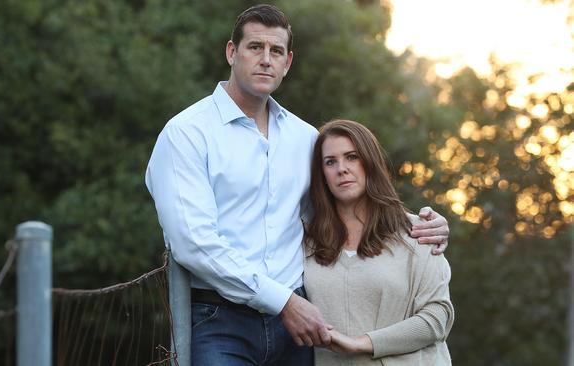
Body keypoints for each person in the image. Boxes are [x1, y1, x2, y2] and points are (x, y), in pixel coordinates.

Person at [145, 4, 450, 366]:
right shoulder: (187, 134)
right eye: (254, 47)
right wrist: (283, 302)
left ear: (287, 63)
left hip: (298, 328)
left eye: (276, 52)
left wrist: (418, 222)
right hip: (222, 320)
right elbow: (194, 243)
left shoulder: (304, 138)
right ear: (231, 52)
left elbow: (340, 205)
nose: (265, 60)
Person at [304, 119, 453, 365]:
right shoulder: (305, 242)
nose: (341, 168)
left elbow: (438, 318)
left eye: (352, 157)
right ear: (322, 174)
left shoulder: (418, 232)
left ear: (370, 162)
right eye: (330, 162)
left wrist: (361, 343)